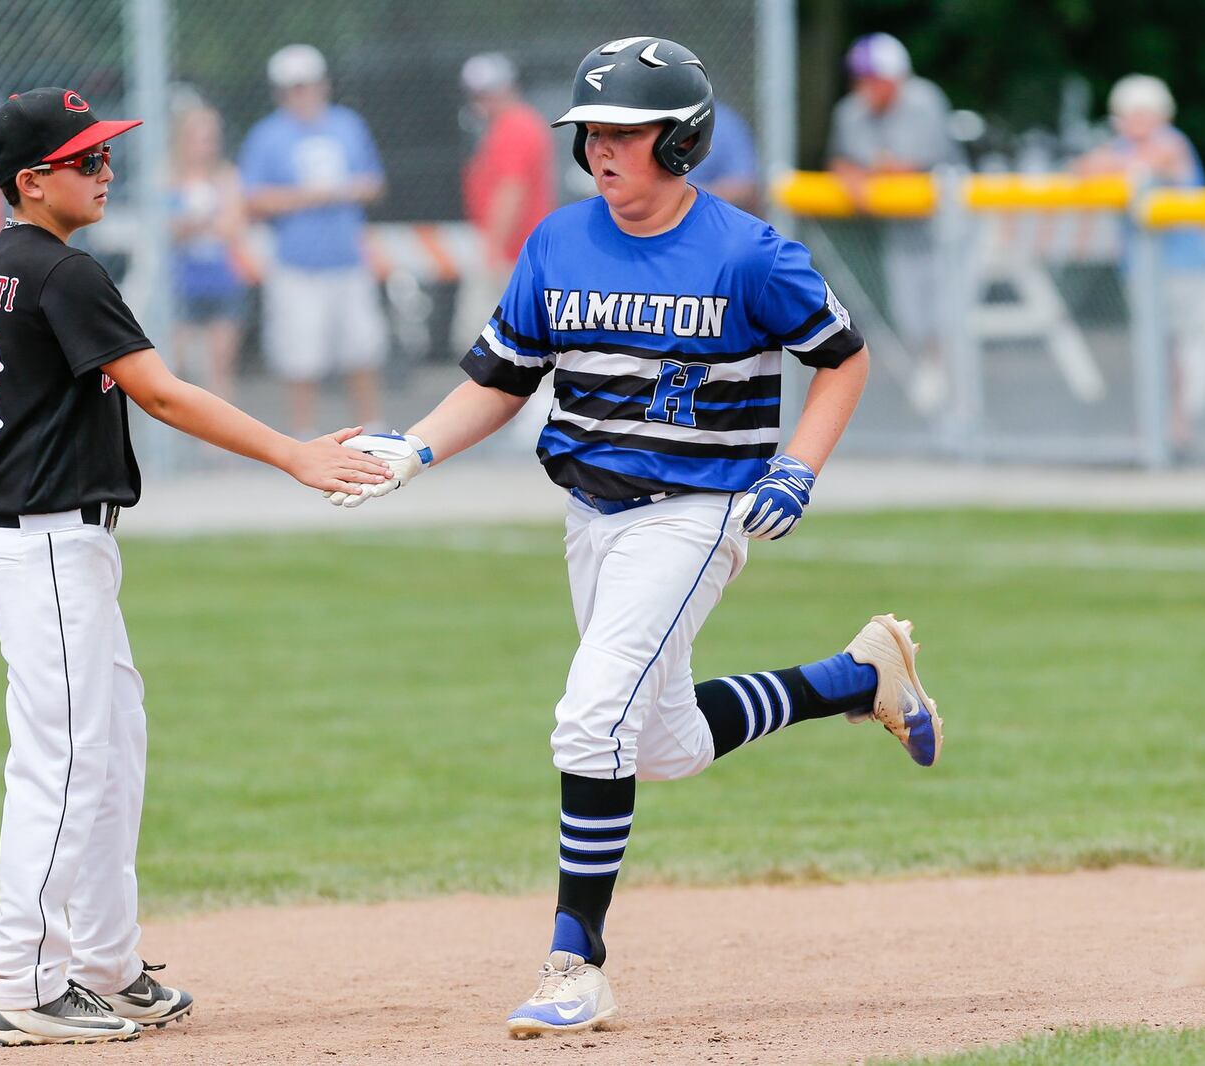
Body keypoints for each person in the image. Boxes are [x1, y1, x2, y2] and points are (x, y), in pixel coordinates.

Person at [328, 38, 943, 1037]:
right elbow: (499, 379)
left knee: (586, 721)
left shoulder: (746, 251)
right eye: (593, 133)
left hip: (697, 510)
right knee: (660, 742)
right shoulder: (557, 242)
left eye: (626, 132)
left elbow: (842, 358)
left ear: (683, 139)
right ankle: (856, 675)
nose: (603, 150)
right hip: (592, 512)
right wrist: (416, 449)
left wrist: (797, 466)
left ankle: (576, 960)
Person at [0, 86, 389, 1047]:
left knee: (113, 751)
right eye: (86, 159)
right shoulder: (61, 273)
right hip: (46, 544)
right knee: (67, 764)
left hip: (45, 544)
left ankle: (108, 966)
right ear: (32, 180)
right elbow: (161, 395)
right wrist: (293, 453)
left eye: (106, 154)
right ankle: (25, 984)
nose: (105, 169)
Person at [240, 44, 388, 437]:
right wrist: (311, 196)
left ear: (322, 85)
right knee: (300, 356)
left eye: (306, 85)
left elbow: (373, 182)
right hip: (296, 263)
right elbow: (253, 200)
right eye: (292, 87)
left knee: (362, 349)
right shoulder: (268, 135)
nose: (301, 94)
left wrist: (343, 191)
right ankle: (305, 435)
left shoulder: (346, 125)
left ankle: (371, 430)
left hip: (347, 258)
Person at [1074, 74, 1205, 456]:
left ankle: (1173, 423)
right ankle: (1157, 423)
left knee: (1173, 348)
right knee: (1153, 348)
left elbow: (1137, 164)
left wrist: (1111, 160)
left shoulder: (1171, 143)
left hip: (1182, 265)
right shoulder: (1121, 147)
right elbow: (1086, 170)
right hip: (1141, 267)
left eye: (1142, 113)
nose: (1134, 121)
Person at [826, 32, 959, 413]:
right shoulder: (851, 110)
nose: (865, 86)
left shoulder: (923, 100)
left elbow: (909, 166)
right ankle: (934, 378)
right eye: (860, 78)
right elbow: (841, 162)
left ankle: (959, 397)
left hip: (949, 227)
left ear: (896, 77)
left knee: (948, 311)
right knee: (908, 311)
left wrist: (864, 176)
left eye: (874, 78)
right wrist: (854, 175)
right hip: (903, 228)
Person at [453, 52, 554, 355]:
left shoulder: (515, 127)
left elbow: (511, 190)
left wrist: (493, 250)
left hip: (510, 255)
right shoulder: (506, 126)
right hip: (512, 252)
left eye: (487, 92)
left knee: (486, 345)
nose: (481, 101)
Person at [169, 98, 249, 400]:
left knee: (220, 363)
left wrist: (197, 223)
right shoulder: (168, 176)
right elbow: (166, 230)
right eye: (200, 138)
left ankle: (216, 441)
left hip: (221, 278)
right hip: (181, 281)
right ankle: (176, 437)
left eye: (212, 138)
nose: (208, 145)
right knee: (177, 362)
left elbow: (233, 227)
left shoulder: (226, 176)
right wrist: (194, 224)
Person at [688, 99, 758, 212]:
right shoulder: (655, 121)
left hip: (711, 214)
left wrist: (690, 195)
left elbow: (744, 184)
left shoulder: (724, 122)